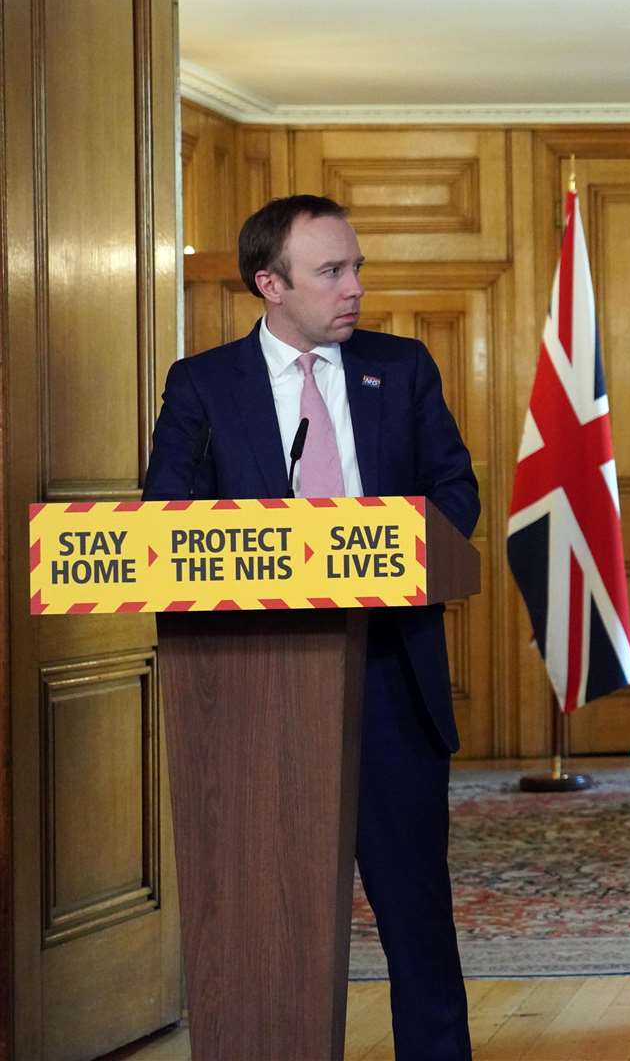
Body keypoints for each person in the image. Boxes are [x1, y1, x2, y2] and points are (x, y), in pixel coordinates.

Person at [143, 195, 478, 1060]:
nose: (355, 287)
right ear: (270, 284)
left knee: (415, 911)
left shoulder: (399, 369)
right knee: (261, 915)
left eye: (356, 266)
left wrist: (383, 542)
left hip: (387, 674)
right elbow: (165, 523)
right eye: (332, 271)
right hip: (257, 684)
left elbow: (456, 494)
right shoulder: (203, 385)